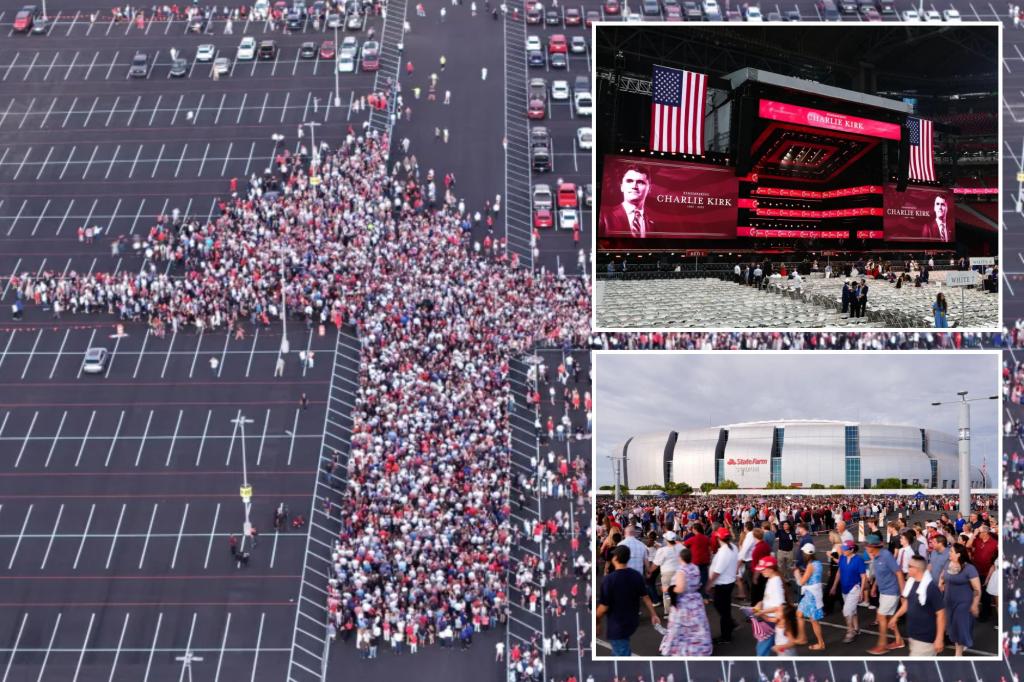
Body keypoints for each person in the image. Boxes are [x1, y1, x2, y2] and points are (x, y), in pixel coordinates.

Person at [596, 545, 661, 656]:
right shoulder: (636, 575)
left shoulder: (609, 580)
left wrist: (596, 620)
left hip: (617, 625)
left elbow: (603, 607)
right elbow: (646, 597)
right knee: (619, 649)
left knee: (621, 653)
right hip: (632, 621)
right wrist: (654, 614)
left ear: (615, 558)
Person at [658, 546, 712, 656]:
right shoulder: (695, 568)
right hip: (695, 600)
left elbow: (680, 588)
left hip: (684, 602)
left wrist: (667, 589)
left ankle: (683, 648)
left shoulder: (681, 571)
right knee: (697, 625)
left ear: (680, 558)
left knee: (681, 626)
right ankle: (700, 646)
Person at [891, 555, 945, 656]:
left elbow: (941, 614)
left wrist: (939, 638)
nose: (907, 568)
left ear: (917, 569)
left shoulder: (931, 588)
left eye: (910, 566)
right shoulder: (912, 583)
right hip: (913, 636)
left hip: (925, 640)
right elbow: (908, 603)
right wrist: (896, 616)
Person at [866, 534, 905, 655]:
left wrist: (903, 592)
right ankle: (899, 640)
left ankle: (882, 645)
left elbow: (898, 573)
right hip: (883, 592)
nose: (866, 547)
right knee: (888, 617)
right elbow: (880, 574)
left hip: (891, 591)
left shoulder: (886, 555)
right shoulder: (876, 556)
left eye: (867, 545)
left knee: (881, 616)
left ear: (873, 546)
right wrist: (874, 586)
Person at [940, 542, 982, 656]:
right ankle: (962, 643)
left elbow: (977, 588)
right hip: (948, 601)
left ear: (958, 554)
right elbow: (943, 575)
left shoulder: (969, 568)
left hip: (963, 603)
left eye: (951, 551)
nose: (949, 553)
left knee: (959, 626)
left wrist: (974, 604)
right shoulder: (948, 563)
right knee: (951, 626)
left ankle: (958, 654)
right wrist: (941, 582)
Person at [598, 166, 653, 238]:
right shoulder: (603, 215)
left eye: (640, 182)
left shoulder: (652, 225)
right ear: (622, 187)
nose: (634, 186)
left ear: (649, 189)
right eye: (629, 181)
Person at [705, 527, 739, 645]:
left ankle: (726, 636)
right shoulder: (733, 547)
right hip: (728, 582)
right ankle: (730, 624)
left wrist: (708, 585)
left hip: (723, 584)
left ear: (719, 538)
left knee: (722, 609)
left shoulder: (725, 551)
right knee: (724, 608)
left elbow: (717, 571)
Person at [831, 540, 867, 643]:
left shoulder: (858, 560)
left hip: (854, 588)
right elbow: (839, 572)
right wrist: (834, 586)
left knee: (846, 611)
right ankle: (856, 628)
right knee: (852, 610)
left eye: (845, 549)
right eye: (843, 549)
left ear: (851, 550)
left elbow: (863, 576)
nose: (843, 550)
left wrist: (861, 591)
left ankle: (850, 632)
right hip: (844, 588)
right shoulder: (842, 558)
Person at [793, 543, 826, 651]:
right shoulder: (817, 563)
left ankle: (821, 643)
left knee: (814, 620)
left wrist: (797, 573)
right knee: (799, 614)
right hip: (811, 593)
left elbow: (801, 582)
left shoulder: (810, 565)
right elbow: (812, 575)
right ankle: (802, 637)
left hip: (811, 595)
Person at [750, 556, 785, 656]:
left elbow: (779, 606)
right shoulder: (771, 579)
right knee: (769, 647)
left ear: (771, 568)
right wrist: (760, 603)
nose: (761, 572)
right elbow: (770, 599)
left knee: (762, 650)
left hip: (771, 620)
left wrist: (761, 612)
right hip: (770, 619)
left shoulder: (775, 582)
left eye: (763, 569)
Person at [652, 531, 682, 612]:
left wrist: (649, 571)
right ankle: (678, 609)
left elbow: (656, 563)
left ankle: (669, 611)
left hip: (667, 573)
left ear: (666, 540)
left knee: (667, 594)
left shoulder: (662, 550)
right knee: (678, 591)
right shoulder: (681, 547)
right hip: (679, 572)